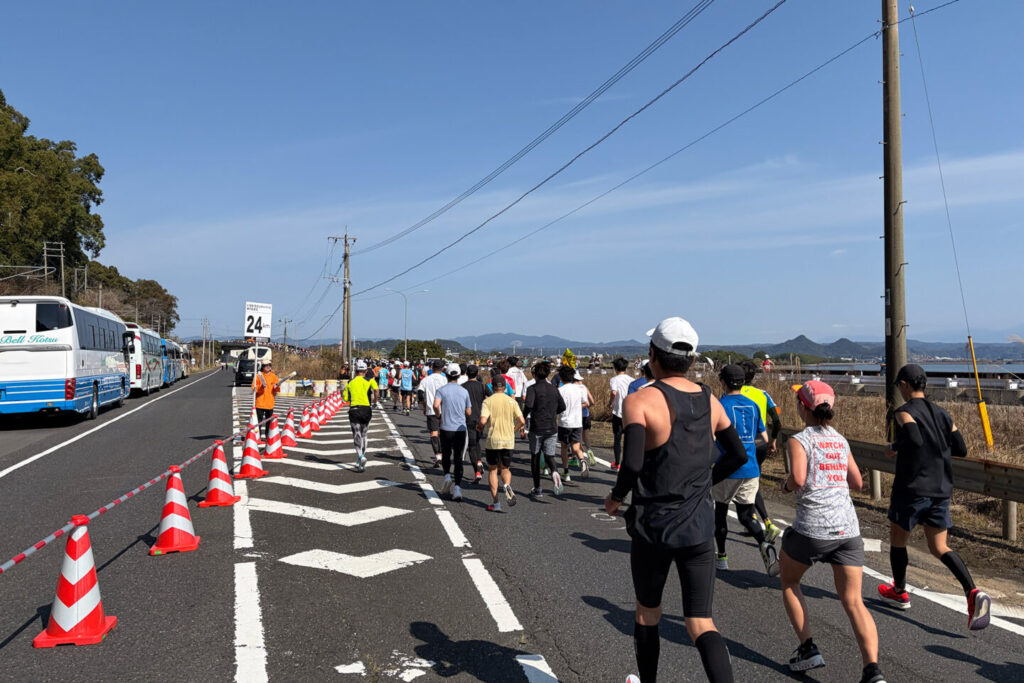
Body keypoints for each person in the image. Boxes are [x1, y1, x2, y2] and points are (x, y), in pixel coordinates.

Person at [605, 317, 747, 683]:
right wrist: (704, 482)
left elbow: (632, 463)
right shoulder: (709, 399)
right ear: (692, 359)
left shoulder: (640, 400)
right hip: (698, 527)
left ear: (653, 354)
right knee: (701, 622)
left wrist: (616, 497)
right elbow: (737, 454)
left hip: (653, 526)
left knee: (647, 612)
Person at [777, 380, 885, 682]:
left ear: (803, 407)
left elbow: (798, 478)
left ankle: (807, 648)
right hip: (847, 529)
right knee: (854, 601)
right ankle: (872, 670)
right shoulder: (840, 440)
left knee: (789, 581)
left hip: (812, 528)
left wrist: (785, 486)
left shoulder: (799, 440)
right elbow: (857, 483)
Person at [877, 364, 991, 630]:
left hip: (912, 489)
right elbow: (960, 448)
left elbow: (914, 439)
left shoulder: (904, 412)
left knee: (898, 540)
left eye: (899, 386)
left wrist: (895, 446)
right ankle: (972, 592)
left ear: (904, 385)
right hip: (940, 490)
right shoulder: (943, 413)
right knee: (939, 547)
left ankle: (899, 591)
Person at [712, 364, 777, 576]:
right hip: (751, 467)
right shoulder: (753, 405)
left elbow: (711, 437)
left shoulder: (719, 405)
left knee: (720, 512)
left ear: (723, 382)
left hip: (727, 468)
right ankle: (765, 545)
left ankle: (722, 557)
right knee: (747, 516)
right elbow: (764, 438)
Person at [739, 360, 784, 543]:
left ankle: (765, 522)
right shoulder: (763, 394)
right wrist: (773, 440)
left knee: (744, 483)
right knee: (753, 480)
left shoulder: (733, 393)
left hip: (742, 444)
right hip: (761, 444)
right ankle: (754, 521)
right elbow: (777, 421)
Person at [479, 374, 525, 512]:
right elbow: (522, 421)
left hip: (493, 441)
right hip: (508, 440)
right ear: (505, 387)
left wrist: (479, 427)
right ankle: (506, 485)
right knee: (505, 469)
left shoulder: (488, 401)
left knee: (493, 470)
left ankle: (496, 503)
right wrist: (514, 430)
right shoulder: (512, 402)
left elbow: (483, 421)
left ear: (492, 387)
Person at [524, 361, 565, 497]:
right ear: (548, 374)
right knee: (549, 455)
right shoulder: (554, 388)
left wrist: (523, 417)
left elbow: (529, 405)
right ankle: (555, 472)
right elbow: (562, 406)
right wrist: (552, 412)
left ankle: (537, 488)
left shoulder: (532, 389)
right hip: (551, 427)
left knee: (535, 457)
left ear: (534, 374)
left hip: (537, 427)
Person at [433, 363, 472, 501]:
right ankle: (457, 488)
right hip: (460, 428)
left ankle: (447, 476)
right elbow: (469, 411)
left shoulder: (441, 390)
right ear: (459, 375)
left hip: (445, 427)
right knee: (458, 458)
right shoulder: (464, 391)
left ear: (447, 375)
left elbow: (435, 405)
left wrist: (439, 416)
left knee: (446, 453)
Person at [343, 361, 378, 472]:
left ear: (356, 371)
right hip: (366, 409)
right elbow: (376, 390)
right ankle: (361, 459)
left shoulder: (350, 382)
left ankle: (361, 457)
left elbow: (345, 398)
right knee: (364, 434)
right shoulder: (370, 380)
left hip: (354, 410)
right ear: (366, 371)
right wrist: (375, 402)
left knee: (356, 434)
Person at [557, 365, 589, 481]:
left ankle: (566, 473)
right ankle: (582, 459)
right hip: (577, 422)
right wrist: (576, 407)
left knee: (564, 447)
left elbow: (557, 406)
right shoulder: (580, 388)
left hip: (564, 422)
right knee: (576, 447)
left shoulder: (560, 390)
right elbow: (586, 403)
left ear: (561, 378)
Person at [463, 364, 490, 483]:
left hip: (468, 417)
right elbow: (491, 397)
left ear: (466, 373)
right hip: (481, 417)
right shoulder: (482, 386)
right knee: (477, 441)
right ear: (477, 373)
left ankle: (477, 471)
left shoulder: (463, 387)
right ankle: (479, 461)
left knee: (472, 445)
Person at [419, 359, 449, 468]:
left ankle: (438, 456)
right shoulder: (445, 380)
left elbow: (420, 394)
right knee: (445, 433)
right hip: (445, 409)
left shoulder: (426, 380)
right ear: (443, 369)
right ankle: (446, 454)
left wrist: (424, 406)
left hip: (431, 410)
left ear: (432, 367)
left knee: (434, 433)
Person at [609, 357, 633, 471]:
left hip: (618, 411)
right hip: (630, 412)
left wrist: (610, 403)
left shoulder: (614, 379)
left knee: (617, 439)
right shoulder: (632, 380)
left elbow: (614, 392)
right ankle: (628, 463)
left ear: (615, 368)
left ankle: (617, 463)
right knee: (629, 440)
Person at [251, 361, 281, 443]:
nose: (268, 367)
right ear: (263, 367)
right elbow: (253, 388)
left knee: (269, 422)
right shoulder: (258, 375)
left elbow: (276, 389)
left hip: (270, 403)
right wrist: (261, 387)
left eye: (269, 365)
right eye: (266, 365)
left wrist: (277, 386)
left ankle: (268, 436)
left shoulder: (273, 376)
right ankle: (258, 437)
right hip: (260, 403)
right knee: (259, 422)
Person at [579, 373, 597, 467]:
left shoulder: (572, 388)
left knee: (577, 437)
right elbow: (592, 402)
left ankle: (579, 457)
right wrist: (586, 407)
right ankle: (589, 451)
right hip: (586, 415)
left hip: (576, 416)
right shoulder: (584, 387)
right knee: (586, 437)